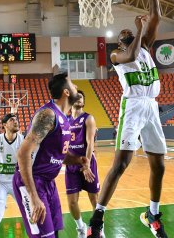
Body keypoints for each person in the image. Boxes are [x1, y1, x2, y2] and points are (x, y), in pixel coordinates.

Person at [88, 0, 167, 238]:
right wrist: (139, 28)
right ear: (120, 42)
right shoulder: (117, 55)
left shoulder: (144, 47)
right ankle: (97, 218)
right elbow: (132, 56)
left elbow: (156, 16)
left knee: (160, 165)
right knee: (121, 164)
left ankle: (152, 214)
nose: (126, 32)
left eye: (128, 31)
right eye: (124, 33)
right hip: (132, 107)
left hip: (151, 106)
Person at [12, 72, 93, 238]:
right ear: (66, 92)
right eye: (72, 84)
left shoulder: (64, 118)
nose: (76, 86)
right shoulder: (48, 115)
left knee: (54, 234)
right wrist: (33, 197)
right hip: (32, 181)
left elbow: (58, 155)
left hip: (48, 183)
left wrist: (78, 159)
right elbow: (22, 154)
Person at [66, 90, 101, 238]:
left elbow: (90, 143)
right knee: (72, 203)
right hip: (71, 164)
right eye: (77, 96)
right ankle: (81, 227)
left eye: (82, 96)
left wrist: (86, 166)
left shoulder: (88, 118)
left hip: (87, 162)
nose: (80, 98)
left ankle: (98, 229)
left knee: (95, 200)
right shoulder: (65, 120)